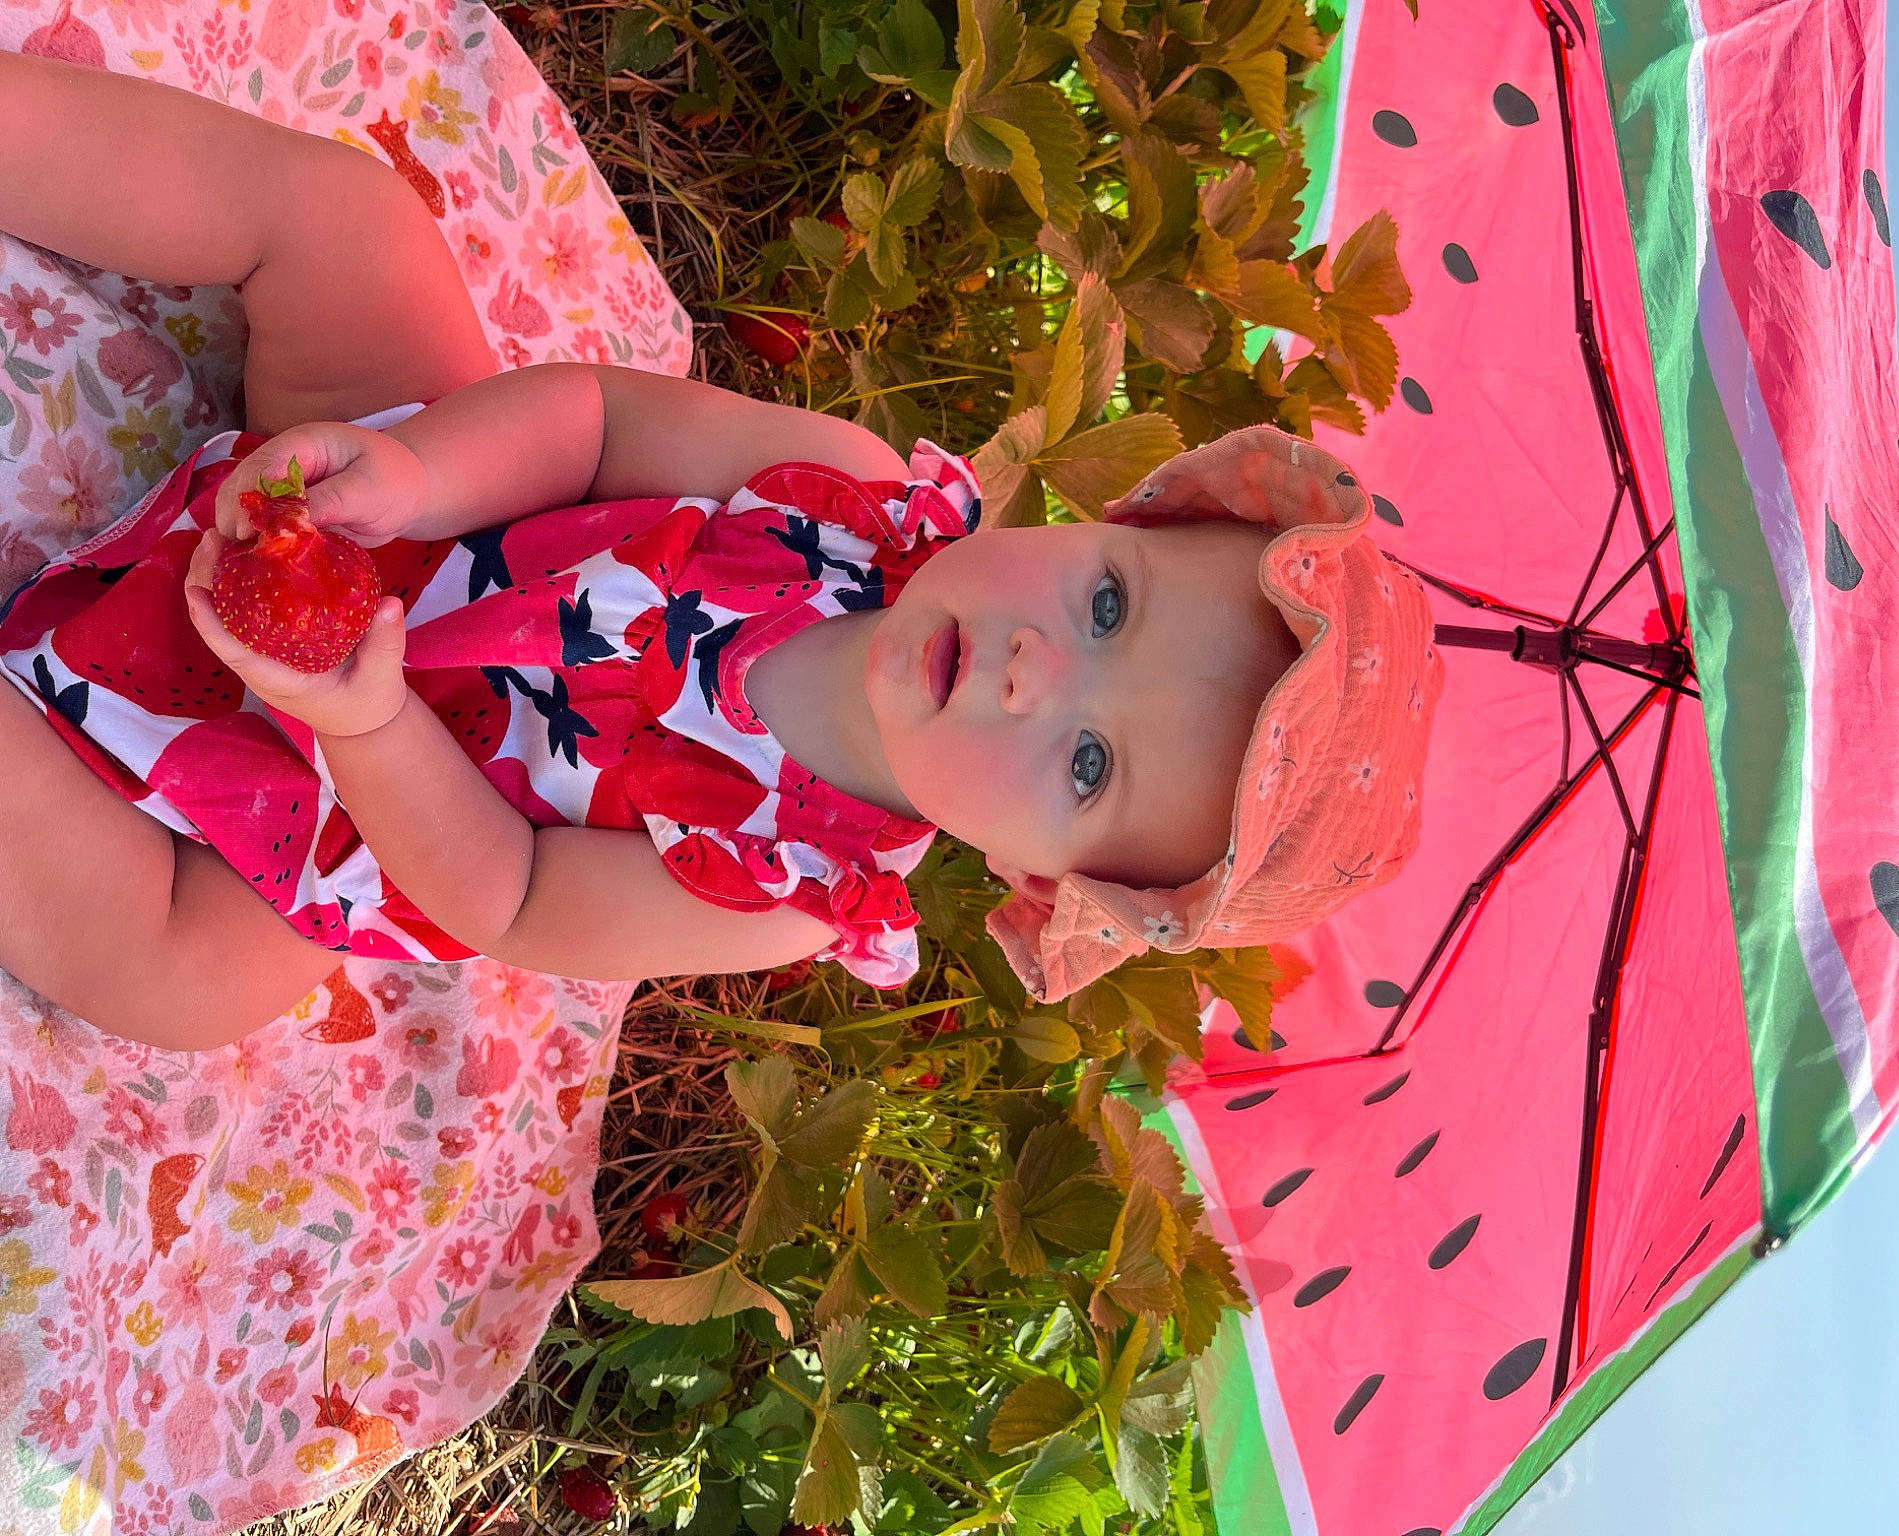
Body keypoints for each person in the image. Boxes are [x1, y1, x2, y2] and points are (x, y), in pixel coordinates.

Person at [0, 50, 1443, 1052]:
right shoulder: (852, 500)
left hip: (341, 792)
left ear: (1039, 881)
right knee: (346, 224)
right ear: (1110, 525)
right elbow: (593, 425)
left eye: (1085, 765)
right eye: (1111, 607)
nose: (1034, 668)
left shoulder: (785, 892)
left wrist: (362, 724)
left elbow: (507, 893)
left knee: (184, 979)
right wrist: (424, 471)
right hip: (411, 512)